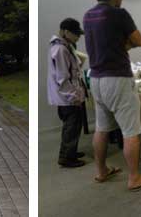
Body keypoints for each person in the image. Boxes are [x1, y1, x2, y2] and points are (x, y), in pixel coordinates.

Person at [84, 0, 141, 191]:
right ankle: (134, 178)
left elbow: (103, 43)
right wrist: (126, 44)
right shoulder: (118, 14)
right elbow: (139, 40)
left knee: (102, 128)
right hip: (118, 79)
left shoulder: (88, 16)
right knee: (131, 130)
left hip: (95, 79)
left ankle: (101, 171)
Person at [48, 18, 88, 168]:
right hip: (68, 98)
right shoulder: (60, 50)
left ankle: (70, 152)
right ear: (65, 32)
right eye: (76, 34)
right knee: (71, 126)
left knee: (73, 126)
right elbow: (63, 78)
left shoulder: (64, 47)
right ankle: (67, 157)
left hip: (68, 96)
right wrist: (74, 97)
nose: (78, 37)